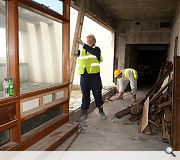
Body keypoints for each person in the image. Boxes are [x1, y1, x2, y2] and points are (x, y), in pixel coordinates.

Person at [77, 34, 106, 120]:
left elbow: (93, 52)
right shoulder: (83, 50)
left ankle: (101, 110)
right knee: (85, 95)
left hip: (94, 77)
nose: (88, 41)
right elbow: (75, 54)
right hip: (84, 76)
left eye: (90, 39)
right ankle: (84, 113)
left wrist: (83, 44)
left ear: (94, 41)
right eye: (87, 40)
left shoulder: (96, 49)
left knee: (97, 94)